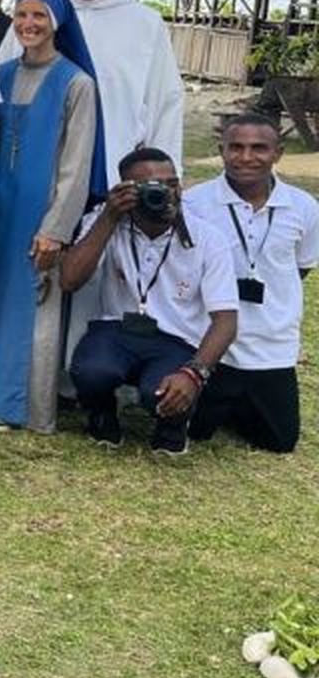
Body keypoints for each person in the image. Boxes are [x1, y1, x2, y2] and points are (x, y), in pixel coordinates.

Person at [0, 0, 104, 433]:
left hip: (40, 214)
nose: (28, 24)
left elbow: (76, 165)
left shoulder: (76, 83)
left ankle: (22, 407)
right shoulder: (0, 75)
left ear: (57, 23)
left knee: (31, 304)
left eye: (39, 16)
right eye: (21, 15)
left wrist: (56, 228)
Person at [63, 148, 237, 455]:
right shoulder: (105, 221)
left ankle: (172, 427)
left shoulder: (208, 238)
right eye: (152, 187)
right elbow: (69, 280)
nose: (165, 194)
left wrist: (194, 373)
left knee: (162, 390)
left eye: (172, 184)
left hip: (176, 340)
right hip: (115, 332)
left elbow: (226, 322)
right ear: (126, 191)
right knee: (92, 371)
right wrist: (109, 217)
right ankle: (101, 413)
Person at [0, 0, 184, 183]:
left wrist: (166, 177)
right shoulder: (35, 15)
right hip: (33, 158)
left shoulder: (146, 23)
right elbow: (2, 85)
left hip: (112, 160)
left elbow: (165, 100)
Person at [181, 114, 319, 453]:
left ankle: (241, 402)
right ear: (221, 151)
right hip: (209, 345)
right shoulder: (194, 204)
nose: (246, 157)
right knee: (195, 431)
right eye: (236, 147)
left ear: (278, 153)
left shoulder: (303, 207)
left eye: (259, 148)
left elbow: (300, 267)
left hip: (271, 345)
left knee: (279, 442)